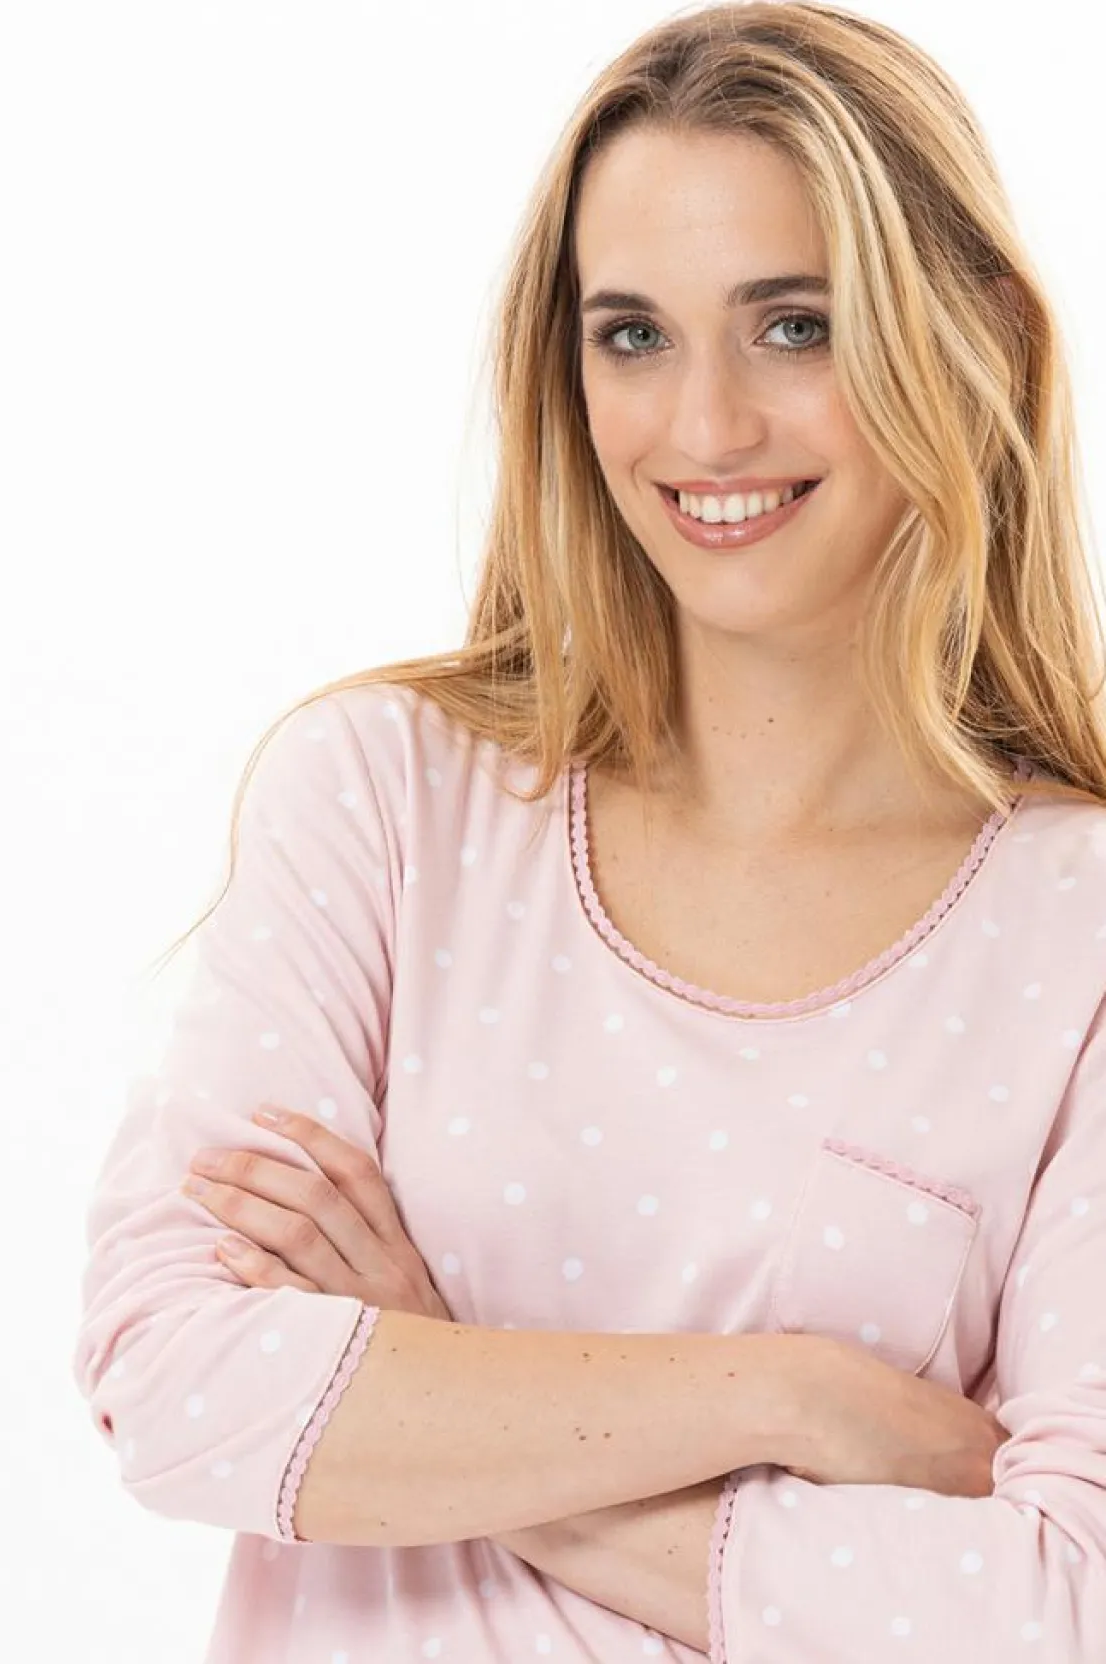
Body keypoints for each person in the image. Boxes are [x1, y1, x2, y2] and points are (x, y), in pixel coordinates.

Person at [71, 3, 1106, 1658]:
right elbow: (176, 1384)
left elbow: (1062, 1604)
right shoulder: (387, 802)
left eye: (795, 326)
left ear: (972, 335)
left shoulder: (1078, 929)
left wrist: (434, 1390)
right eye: (633, 335)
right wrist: (796, 1396)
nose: (705, 429)